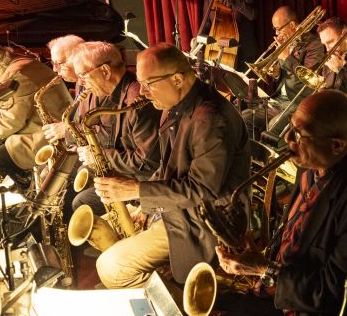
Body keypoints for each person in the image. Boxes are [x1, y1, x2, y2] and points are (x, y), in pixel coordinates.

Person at [203, 90, 347, 316]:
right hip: (284, 290)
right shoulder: (313, 164)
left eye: (298, 134)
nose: (286, 138)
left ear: (337, 144)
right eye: (291, 126)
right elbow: (295, 235)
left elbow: (336, 291)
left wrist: (263, 268)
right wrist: (254, 256)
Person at [93, 43, 250, 288]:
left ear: (177, 79)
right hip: (179, 208)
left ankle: (176, 309)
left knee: (111, 268)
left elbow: (202, 191)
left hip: (204, 220)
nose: (142, 93)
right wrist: (143, 206)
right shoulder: (174, 106)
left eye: (148, 84)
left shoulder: (210, 120)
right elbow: (169, 169)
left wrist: (137, 191)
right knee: (101, 225)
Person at [0, 38, 71, 184]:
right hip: (29, 128)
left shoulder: (17, 72)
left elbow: (13, 121)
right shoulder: (12, 64)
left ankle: (20, 194)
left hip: (45, 135)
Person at [68, 42, 161, 218]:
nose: (79, 82)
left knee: (80, 202)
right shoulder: (104, 93)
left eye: (82, 75)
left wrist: (100, 156)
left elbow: (149, 162)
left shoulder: (137, 102)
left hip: (141, 184)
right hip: (122, 171)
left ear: (105, 71)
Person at [241, 6, 325, 139]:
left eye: (278, 29)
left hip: (298, 101)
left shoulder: (315, 45)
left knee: (274, 126)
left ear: (292, 24)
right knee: (244, 117)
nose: (276, 33)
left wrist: (286, 57)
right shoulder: (286, 42)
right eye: (274, 29)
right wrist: (276, 73)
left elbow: (309, 80)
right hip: (279, 100)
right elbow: (284, 75)